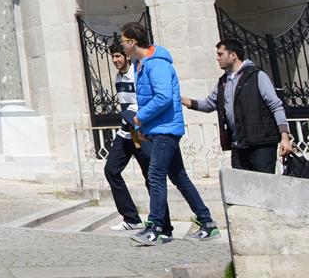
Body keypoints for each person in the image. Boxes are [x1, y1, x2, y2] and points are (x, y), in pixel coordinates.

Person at [119, 22, 220, 246]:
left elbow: (163, 97)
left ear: (133, 42)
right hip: (158, 128)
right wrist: (143, 128)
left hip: (166, 129)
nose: (121, 45)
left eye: (123, 41)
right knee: (179, 176)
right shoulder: (140, 64)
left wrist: (140, 118)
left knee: (155, 175)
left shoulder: (157, 64)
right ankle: (207, 222)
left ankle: (156, 227)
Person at [182, 38, 292, 174]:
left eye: (220, 54)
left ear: (233, 55)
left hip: (261, 144)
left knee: (263, 189)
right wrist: (179, 99)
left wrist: (285, 137)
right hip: (239, 145)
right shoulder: (224, 82)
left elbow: (276, 106)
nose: (217, 58)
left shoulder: (257, 76)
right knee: (241, 189)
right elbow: (208, 104)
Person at [102, 49, 151, 232]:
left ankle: (159, 220)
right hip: (124, 133)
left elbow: (143, 100)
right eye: (113, 57)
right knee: (111, 170)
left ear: (127, 57)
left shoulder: (136, 75)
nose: (115, 60)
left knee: (150, 177)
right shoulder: (117, 78)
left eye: (118, 56)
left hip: (140, 133)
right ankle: (131, 218)